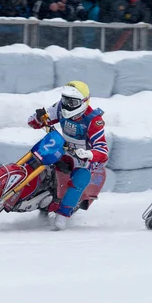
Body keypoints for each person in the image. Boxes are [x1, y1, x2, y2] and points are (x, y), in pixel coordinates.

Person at [27, 81, 109, 230]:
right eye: (65, 99)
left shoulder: (94, 120)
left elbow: (102, 149)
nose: (67, 105)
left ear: (83, 102)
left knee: (81, 178)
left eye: (72, 102)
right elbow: (38, 120)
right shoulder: (60, 106)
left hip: (81, 156)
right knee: (39, 155)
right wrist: (38, 118)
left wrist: (89, 154)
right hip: (62, 146)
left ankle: (63, 215)